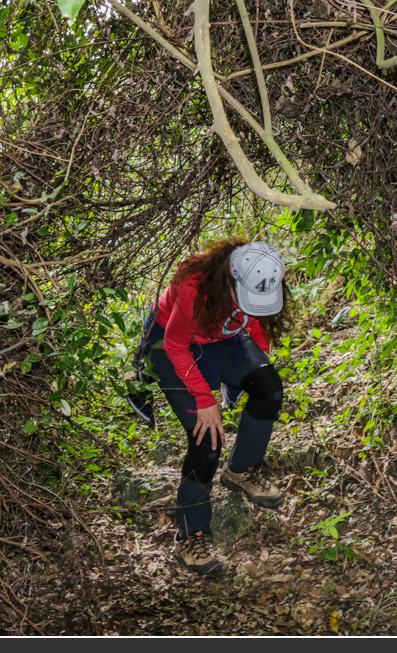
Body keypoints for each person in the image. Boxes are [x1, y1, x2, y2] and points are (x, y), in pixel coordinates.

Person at [135, 239, 291, 576]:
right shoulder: (196, 287)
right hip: (172, 346)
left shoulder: (262, 275)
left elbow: (253, 323)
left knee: (269, 389)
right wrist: (204, 399)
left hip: (223, 340)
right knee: (207, 438)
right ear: (229, 280)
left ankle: (241, 470)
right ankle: (192, 535)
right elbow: (176, 346)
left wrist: (259, 358)